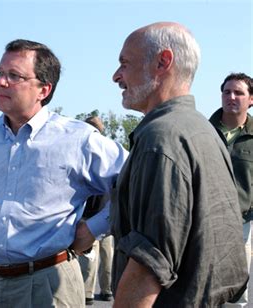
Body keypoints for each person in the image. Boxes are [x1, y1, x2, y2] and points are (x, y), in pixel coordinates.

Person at [0, 39, 128, 307]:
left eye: (14, 76)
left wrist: (94, 228)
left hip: (48, 283)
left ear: (43, 89)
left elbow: (134, 181)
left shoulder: (77, 139)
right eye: (0, 73)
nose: (1, 82)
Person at [110, 21, 248, 307]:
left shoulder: (161, 138)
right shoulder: (201, 129)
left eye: (125, 63)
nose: (116, 76)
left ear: (163, 62)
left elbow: (149, 264)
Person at [209, 72, 253, 308]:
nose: (231, 97)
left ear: (251, 99)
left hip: (242, 226)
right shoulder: (203, 132)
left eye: (239, 92)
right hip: (204, 225)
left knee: (237, 294)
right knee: (203, 288)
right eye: (227, 92)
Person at [78, 116, 114, 305]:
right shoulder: (108, 150)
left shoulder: (90, 151)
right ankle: (101, 291)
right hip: (102, 215)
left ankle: (91, 292)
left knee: (93, 258)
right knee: (102, 257)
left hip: (94, 215)